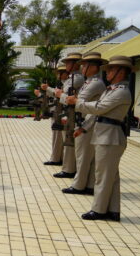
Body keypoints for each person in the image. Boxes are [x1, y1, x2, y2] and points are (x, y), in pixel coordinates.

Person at [66, 55, 134, 221]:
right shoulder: (112, 89)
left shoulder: (121, 92)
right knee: (111, 176)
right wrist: (84, 128)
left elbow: (99, 108)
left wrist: (77, 102)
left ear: (121, 72)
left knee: (103, 176)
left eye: (111, 69)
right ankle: (113, 210)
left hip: (110, 137)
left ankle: (99, 210)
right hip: (105, 135)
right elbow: (98, 115)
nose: (108, 72)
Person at [61, 52, 106, 195]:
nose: (83, 68)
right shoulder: (89, 81)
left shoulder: (96, 83)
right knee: (85, 156)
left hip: (88, 122)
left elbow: (77, 101)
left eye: (85, 65)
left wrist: (62, 96)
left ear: (94, 67)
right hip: (85, 120)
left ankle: (79, 185)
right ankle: (89, 185)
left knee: (83, 156)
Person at [42, 52, 84, 178]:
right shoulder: (72, 78)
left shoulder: (77, 78)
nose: (66, 65)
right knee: (65, 141)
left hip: (71, 113)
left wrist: (49, 89)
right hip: (65, 112)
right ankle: (66, 166)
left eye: (69, 63)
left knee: (69, 142)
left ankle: (69, 169)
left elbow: (62, 94)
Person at [36, 63, 68, 166]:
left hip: (62, 113)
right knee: (56, 138)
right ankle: (56, 157)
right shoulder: (61, 83)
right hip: (56, 111)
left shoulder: (66, 83)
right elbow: (53, 97)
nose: (58, 74)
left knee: (59, 138)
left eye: (60, 72)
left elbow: (60, 95)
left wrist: (48, 88)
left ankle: (57, 159)